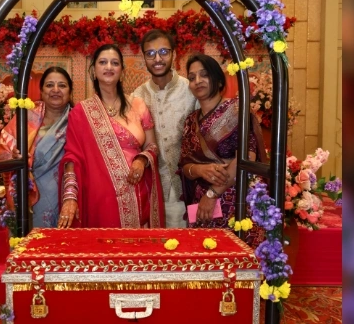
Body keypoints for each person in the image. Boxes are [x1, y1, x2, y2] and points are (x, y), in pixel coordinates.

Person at [58, 44, 165, 229]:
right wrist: (70, 197)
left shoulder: (138, 105)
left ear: (122, 71)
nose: (109, 67)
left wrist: (141, 160)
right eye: (103, 62)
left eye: (115, 63)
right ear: (94, 70)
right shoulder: (81, 112)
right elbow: (72, 158)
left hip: (138, 194)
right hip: (101, 200)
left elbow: (152, 146)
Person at [179, 54, 267, 232]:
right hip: (201, 205)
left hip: (235, 201)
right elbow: (184, 164)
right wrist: (200, 170)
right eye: (192, 78)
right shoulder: (190, 121)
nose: (197, 81)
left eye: (204, 75)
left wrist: (212, 193)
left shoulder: (237, 110)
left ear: (219, 81)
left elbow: (246, 157)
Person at [131, 29, 197, 227]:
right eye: (150, 53)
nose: (157, 59)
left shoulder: (191, 90)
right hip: (152, 190)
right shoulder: (137, 97)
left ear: (173, 54)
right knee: (156, 244)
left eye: (163, 52)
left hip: (189, 188)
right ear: (144, 58)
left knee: (191, 242)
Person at [0, 66, 73, 228]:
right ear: (41, 90)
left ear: (70, 91)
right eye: (49, 85)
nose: (55, 90)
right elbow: (5, 146)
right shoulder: (27, 117)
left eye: (62, 85)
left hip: (67, 194)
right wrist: (15, 156)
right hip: (28, 192)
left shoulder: (77, 120)